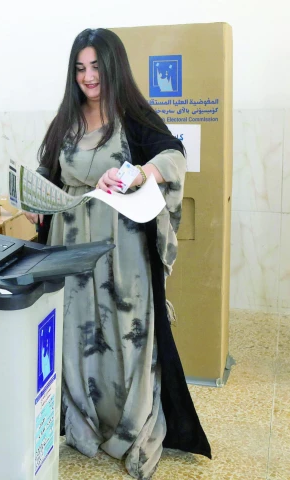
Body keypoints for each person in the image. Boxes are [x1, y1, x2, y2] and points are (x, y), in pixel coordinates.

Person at [25, 28, 211, 479]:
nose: (89, 77)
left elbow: (173, 156)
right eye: (80, 68)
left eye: (96, 67)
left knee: (126, 336)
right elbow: (47, 172)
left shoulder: (133, 116)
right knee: (77, 333)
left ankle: (131, 428)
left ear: (113, 68)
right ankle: (85, 422)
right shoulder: (66, 120)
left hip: (120, 253)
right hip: (71, 248)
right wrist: (36, 203)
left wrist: (140, 172)